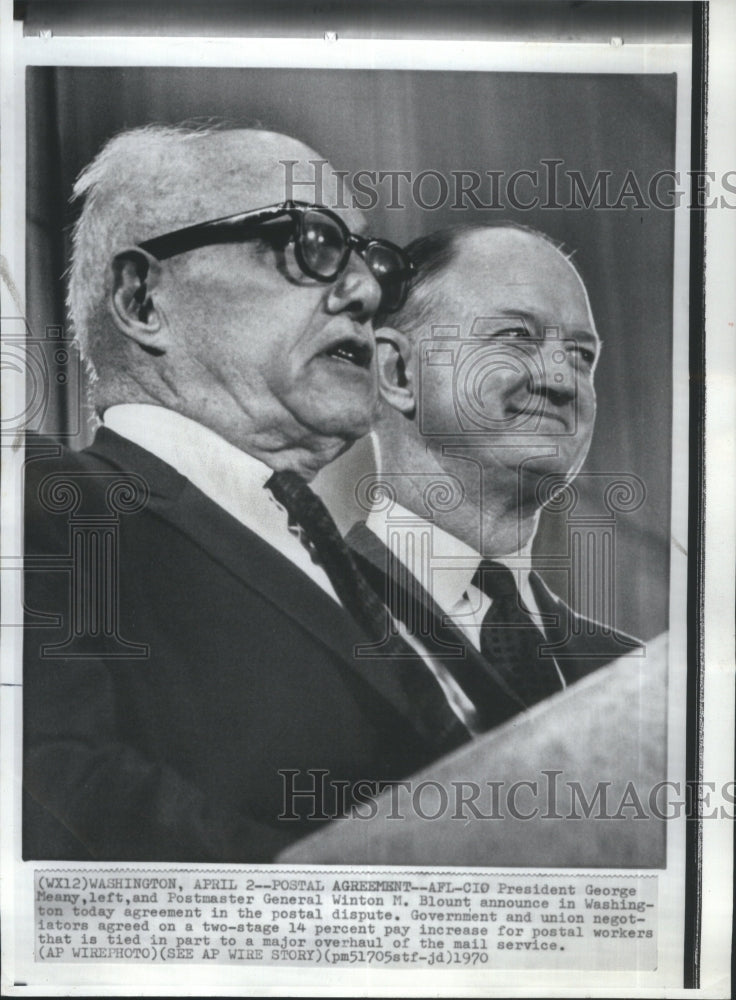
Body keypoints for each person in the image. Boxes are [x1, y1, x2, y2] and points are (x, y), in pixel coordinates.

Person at [22, 123, 459, 863]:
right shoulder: (48, 501)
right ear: (143, 299)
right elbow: (55, 794)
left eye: (371, 261)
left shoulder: (369, 571)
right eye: (312, 243)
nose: (366, 291)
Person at [347, 223, 642, 733]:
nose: (560, 380)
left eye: (581, 355)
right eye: (515, 337)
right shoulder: (308, 617)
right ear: (397, 373)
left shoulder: (633, 678)